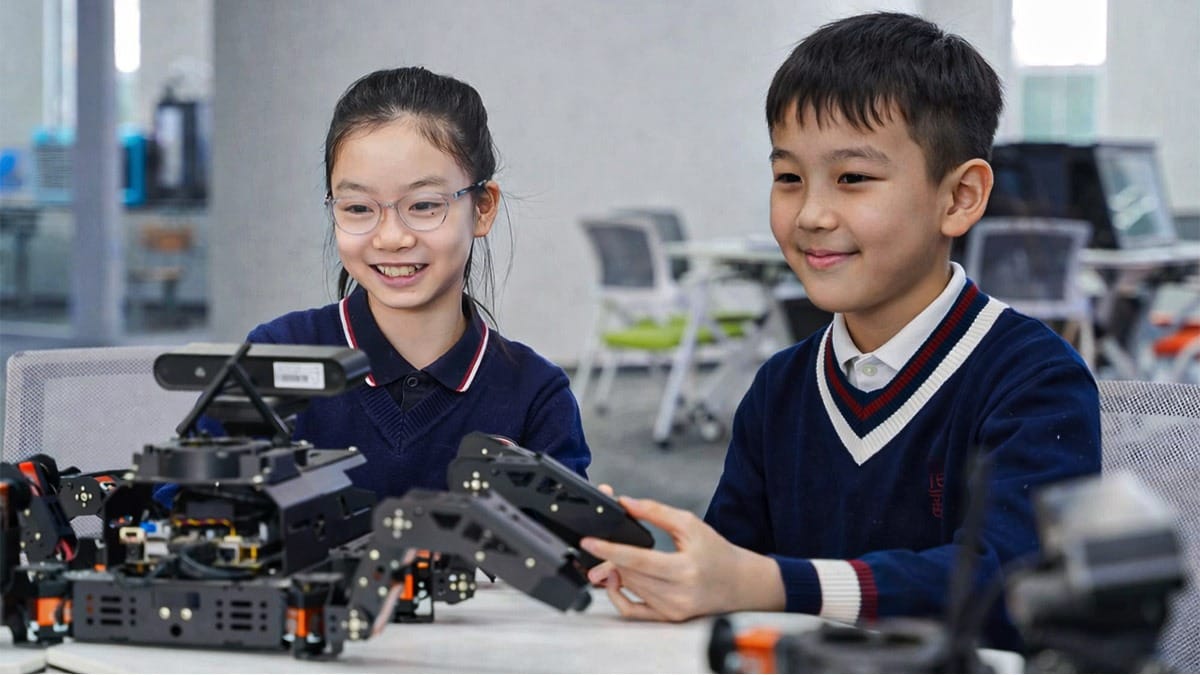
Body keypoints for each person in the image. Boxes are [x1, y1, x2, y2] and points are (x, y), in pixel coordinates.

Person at [580, 12, 1100, 650]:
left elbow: (1013, 585)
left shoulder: (1033, 378)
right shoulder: (780, 387)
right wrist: (672, 574)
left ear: (960, 197)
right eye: (789, 179)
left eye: (853, 178)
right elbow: (733, 571)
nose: (811, 214)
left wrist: (779, 584)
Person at [199, 67, 591, 498]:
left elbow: (568, 535)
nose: (391, 238)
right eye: (358, 208)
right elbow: (187, 507)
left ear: (482, 208)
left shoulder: (534, 397)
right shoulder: (278, 354)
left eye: (423, 205)